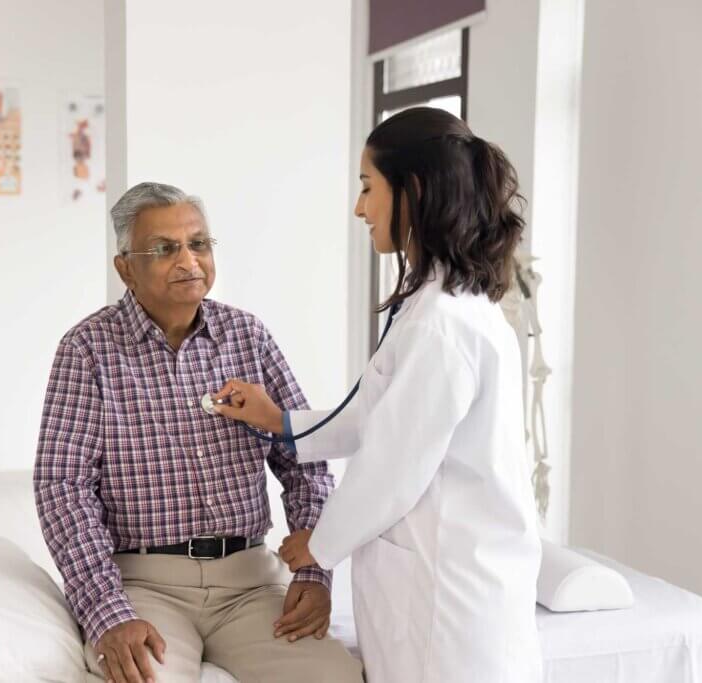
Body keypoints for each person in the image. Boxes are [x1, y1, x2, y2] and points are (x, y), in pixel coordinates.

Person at [212, 107, 543, 683]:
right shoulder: (434, 306)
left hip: (451, 598)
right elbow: (374, 414)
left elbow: (394, 464)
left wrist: (321, 544)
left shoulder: (444, 323)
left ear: (412, 190)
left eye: (368, 188)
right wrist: (280, 421)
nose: (359, 208)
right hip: (434, 580)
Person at [34, 182, 362, 683]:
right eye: (164, 249)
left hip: (251, 581)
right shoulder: (87, 350)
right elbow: (63, 488)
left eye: (199, 244)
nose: (188, 260)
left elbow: (305, 460)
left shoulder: (248, 336)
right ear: (125, 267)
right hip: (144, 585)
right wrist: (108, 612)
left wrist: (315, 573)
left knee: (335, 677)